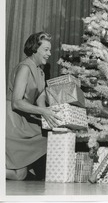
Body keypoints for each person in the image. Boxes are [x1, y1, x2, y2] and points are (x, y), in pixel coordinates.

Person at [6, 32, 61, 180]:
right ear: (35, 49)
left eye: (50, 50)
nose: (49, 54)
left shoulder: (41, 73)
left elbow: (41, 100)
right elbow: (16, 101)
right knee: (20, 175)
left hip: (25, 120)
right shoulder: (25, 67)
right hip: (12, 121)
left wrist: (48, 115)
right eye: (46, 49)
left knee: (21, 174)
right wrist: (43, 111)